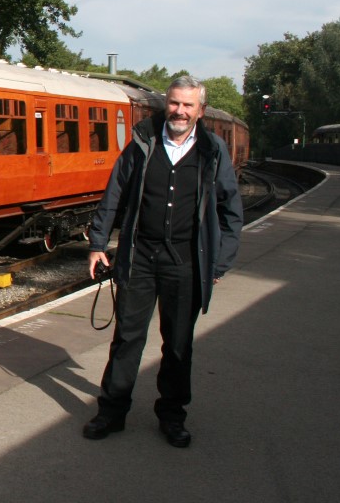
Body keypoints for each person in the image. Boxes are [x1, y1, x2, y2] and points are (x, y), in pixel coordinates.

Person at [83, 75, 242, 447]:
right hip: (140, 257)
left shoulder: (212, 151)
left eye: (188, 105)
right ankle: (112, 411)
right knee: (127, 338)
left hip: (186, 262)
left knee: (178, 344)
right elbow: (114, 193)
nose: (180, 111)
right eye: (174, 103)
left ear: (200, 111)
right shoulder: (142, 142)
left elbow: (231, 212)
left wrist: (218, 264)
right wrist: (97, 244)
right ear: (165, 104)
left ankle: (172, 415)